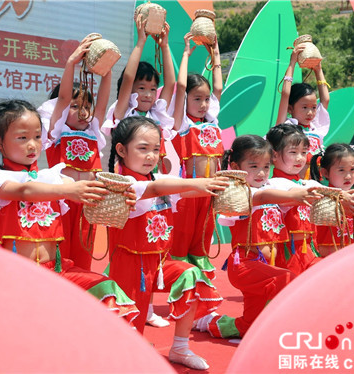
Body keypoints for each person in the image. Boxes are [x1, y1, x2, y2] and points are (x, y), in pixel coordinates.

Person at [0, 99, 139, 323]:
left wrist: (120, 198)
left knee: (106, 290)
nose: (32, 145)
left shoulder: (55, 178)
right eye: (22, 138)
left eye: (37, 137)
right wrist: (68, 190)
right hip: (19, 277)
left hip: (57, 272)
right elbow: (24, 191)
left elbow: (89, 196)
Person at [106, 115, 229, 370]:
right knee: (129, 331)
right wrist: (199, 182)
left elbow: (181, 190)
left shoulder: (158, 180)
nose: (151, 156)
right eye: (143, 148)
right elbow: (156, 190)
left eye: (155, 149)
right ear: (121, 150)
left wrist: (217, 187)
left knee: (192, 275)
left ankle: (180, 348)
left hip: (161, 262)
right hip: (131, 267)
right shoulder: (123, 183)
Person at [194, 135, 320, 339]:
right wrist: (294, 197)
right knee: (287, 280)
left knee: (249, 326)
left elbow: (286, 188)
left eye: (266, 166)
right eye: (254, 166)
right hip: (246, 265)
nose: (261, 173)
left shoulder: (273, 186)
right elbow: (259, 197)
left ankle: (208, 323)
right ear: (235, 166)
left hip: (267, 267)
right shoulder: (236, 192)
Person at [38, 35, 110, 270]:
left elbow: (102, 102)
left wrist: (106, 70)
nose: (83, 112)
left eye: (86, 106)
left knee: (83, 260)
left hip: (87, 206)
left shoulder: (94, 132)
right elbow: (64, 98)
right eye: (75, 106)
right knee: (60, 259)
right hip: (62, 203)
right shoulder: (55, 131)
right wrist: (71, 63)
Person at [266, 125, 354, 275]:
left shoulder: (307, 184)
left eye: (304, 152)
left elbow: (329, 193)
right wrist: (336, 196)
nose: (300, 158)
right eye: (293, 152)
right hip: (290, 252)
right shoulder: (273, 184)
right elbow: (303, 193)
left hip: (309, 249)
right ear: (274, 155)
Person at [168, 32, 224, 280]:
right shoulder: (180, 123)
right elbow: (180, 86)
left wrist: (216, 52)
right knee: (182, 239)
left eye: (206, 99)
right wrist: (186, 54)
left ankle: (201, 286)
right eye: (197, 99)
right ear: (186, 100)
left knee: (202, 238)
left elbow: (219, 87)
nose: (203, 104)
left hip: (210, 192)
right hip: (189, 191)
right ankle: (181, 279)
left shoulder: (212, 121)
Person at [102, 13, 175, 174]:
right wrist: (141, 42)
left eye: (153, 89)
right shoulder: (123, 112)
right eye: (141, 88)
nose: (148, 95)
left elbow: (170, 84)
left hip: (154, 179)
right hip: (128, 179)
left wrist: (165, 46)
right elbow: (129, 77)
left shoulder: (156, 114)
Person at [275, 43, 330, 179]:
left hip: (314, 182)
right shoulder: (286, 127)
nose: (310, 112)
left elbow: (325, 100)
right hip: (291, 184)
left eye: (313, 107)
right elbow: (286, 94)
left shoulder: (315, 128)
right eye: (304, 107)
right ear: (290, 108)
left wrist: (318, 71)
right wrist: (292, 63)